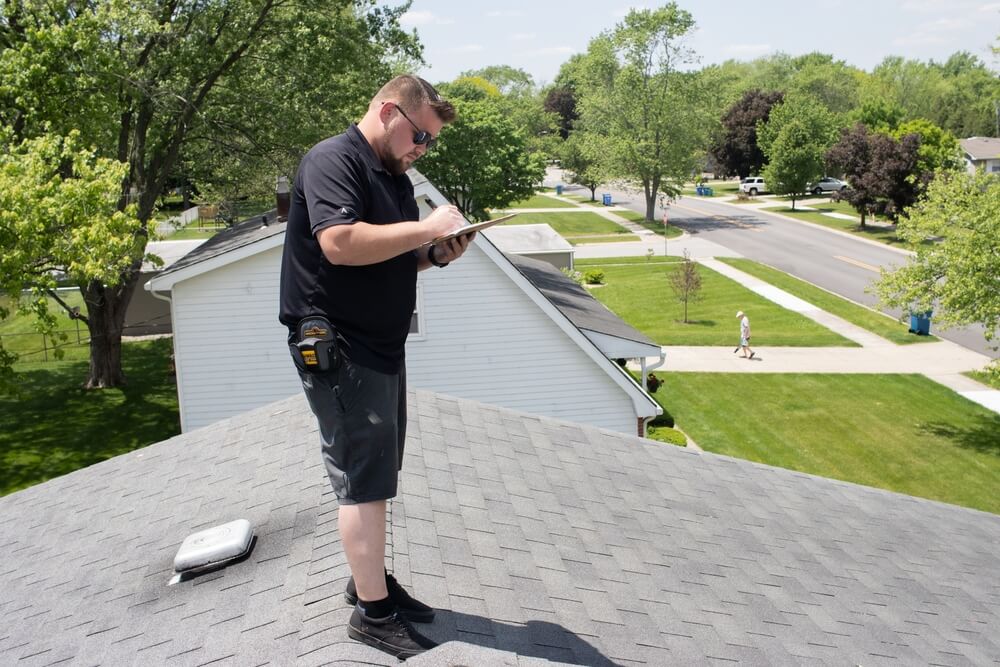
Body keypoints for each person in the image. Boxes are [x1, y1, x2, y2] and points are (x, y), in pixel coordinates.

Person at [279, 75, 472, 659]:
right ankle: (372, 613)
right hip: (340, 346)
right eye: (420, 136)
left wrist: (436, 252)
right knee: (363, 483)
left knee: (378, 475)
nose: (422, 149)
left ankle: (369, 580)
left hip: (380, 348)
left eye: (429, 143)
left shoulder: (393, 177)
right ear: (389, 111)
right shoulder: (333, 160)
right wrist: (430, 226)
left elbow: (386, 253)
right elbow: (339, 243)